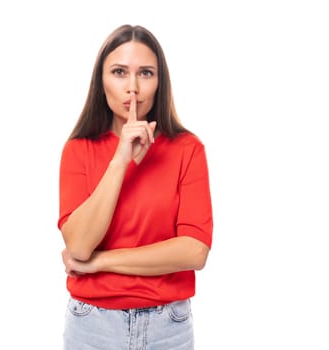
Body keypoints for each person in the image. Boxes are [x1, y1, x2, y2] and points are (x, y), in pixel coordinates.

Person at [57, 24, 213, 350]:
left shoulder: (187, 149)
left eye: (145, 73)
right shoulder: (79, 149)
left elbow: (194, 251)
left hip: (168, 327)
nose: (132, 88)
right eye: (118, 72)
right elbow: (80, 246)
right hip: (92, 326)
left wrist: (101, 263)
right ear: (101, 83)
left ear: (159, 82)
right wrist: (120, 161)